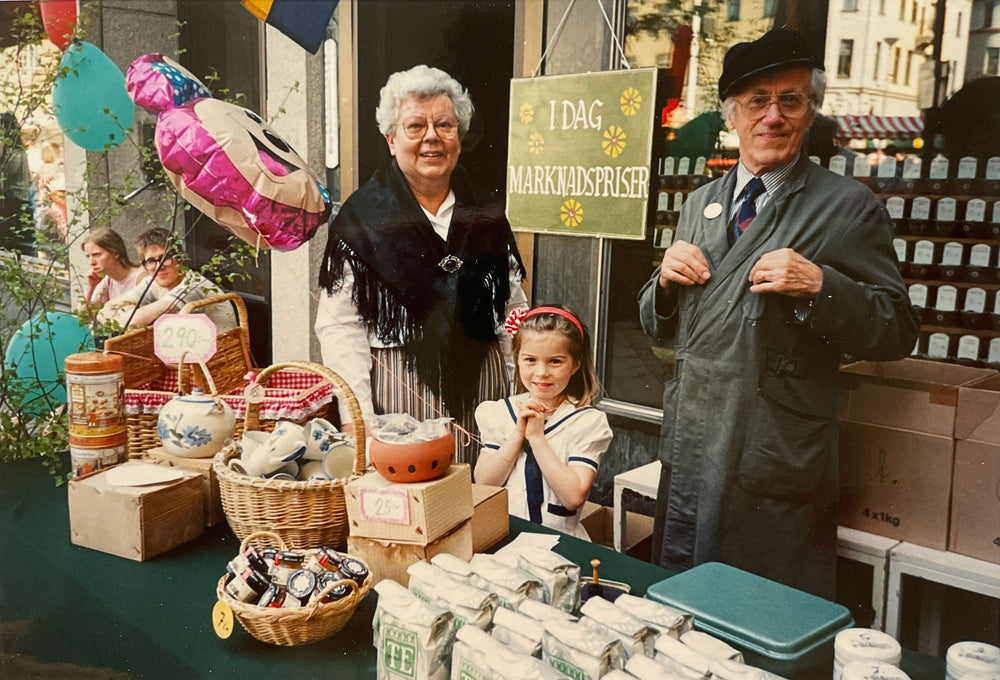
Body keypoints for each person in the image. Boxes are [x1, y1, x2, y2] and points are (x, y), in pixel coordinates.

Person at [637, 29, 919, 598]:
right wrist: (663, 285)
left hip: (772, 450)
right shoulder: (701, 203)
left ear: (810, 112)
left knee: (758, 607)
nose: (773, 116)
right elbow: (657, 323)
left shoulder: (847, 207)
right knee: (681, 603)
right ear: (732, 116)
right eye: (756, 101)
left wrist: (821, 286)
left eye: (790, 100)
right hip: (693, 442)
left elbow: (897, 329)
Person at [316, 65, 527, 461]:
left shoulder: (486, 213)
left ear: (459, 137)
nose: (432, 137)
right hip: (401, 396)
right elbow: (341, 327)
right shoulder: (362, 219)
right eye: (415, 126)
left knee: (485, 493)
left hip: (486, 392)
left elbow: (512, 308)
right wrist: (357, 420)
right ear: (391, 139)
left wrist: (522, 392)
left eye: (444, 125)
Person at [473, 306, 612, 540]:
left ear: (575, 364)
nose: (541, 372)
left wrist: (537, 438)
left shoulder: (587, 421)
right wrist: (518, 435)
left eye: (555, 361)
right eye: (530, 360)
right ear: (517, 359)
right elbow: (485, 483)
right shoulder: (499, 413)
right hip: (505, 537)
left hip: (561, 542)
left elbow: (573, 497)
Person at [99, 227, 237, 332]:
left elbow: (133, 322)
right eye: (151, 261)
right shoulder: (153, 282)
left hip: (220, 357)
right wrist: (131, 314)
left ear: (180, 259)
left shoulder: (192, 286)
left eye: (165, 258)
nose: (159, 267)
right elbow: (105, 310)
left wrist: (128, 316)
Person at [81, 227, 147, 314]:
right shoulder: (108, 280)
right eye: (88, 256)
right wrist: (90, 287)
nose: (91, 262)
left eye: (97, 255)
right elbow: (84, 317)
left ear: (115, 253)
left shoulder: (141, 277)